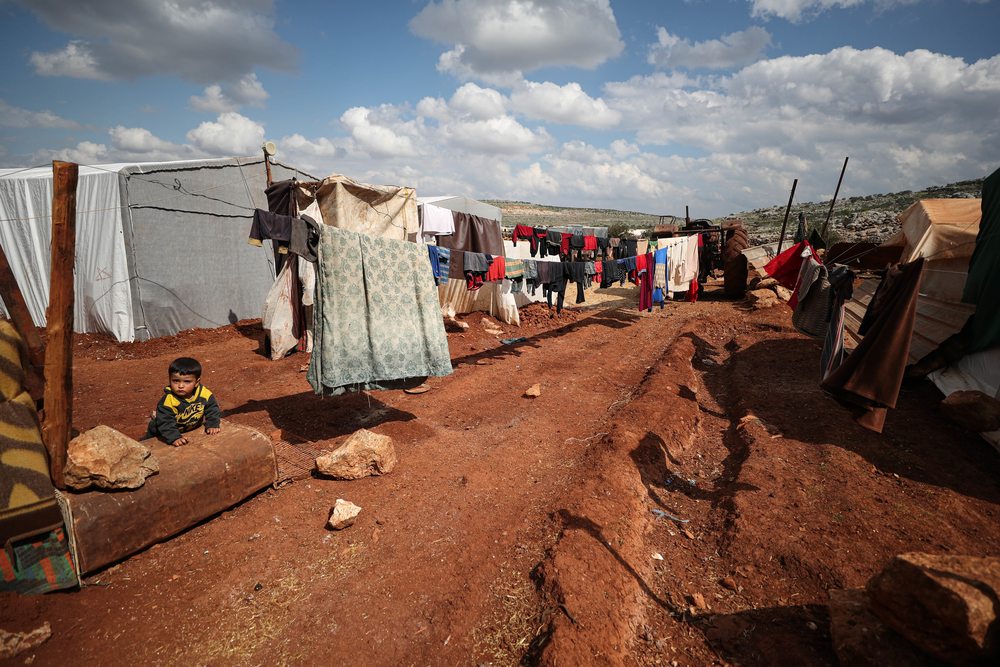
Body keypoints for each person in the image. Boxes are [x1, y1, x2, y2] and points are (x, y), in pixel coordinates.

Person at [143, 357, 221, 446]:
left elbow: (212, 409)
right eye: (176, 381)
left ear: (197, 382)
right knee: (144, 446)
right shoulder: (169, 400)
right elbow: (166, 422)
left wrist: (212, 424)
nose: (180, 385)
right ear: (169, 379)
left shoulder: (204, 394)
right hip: (160, 433)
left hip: (187, 429)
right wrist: (174, 437)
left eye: (187, 381)